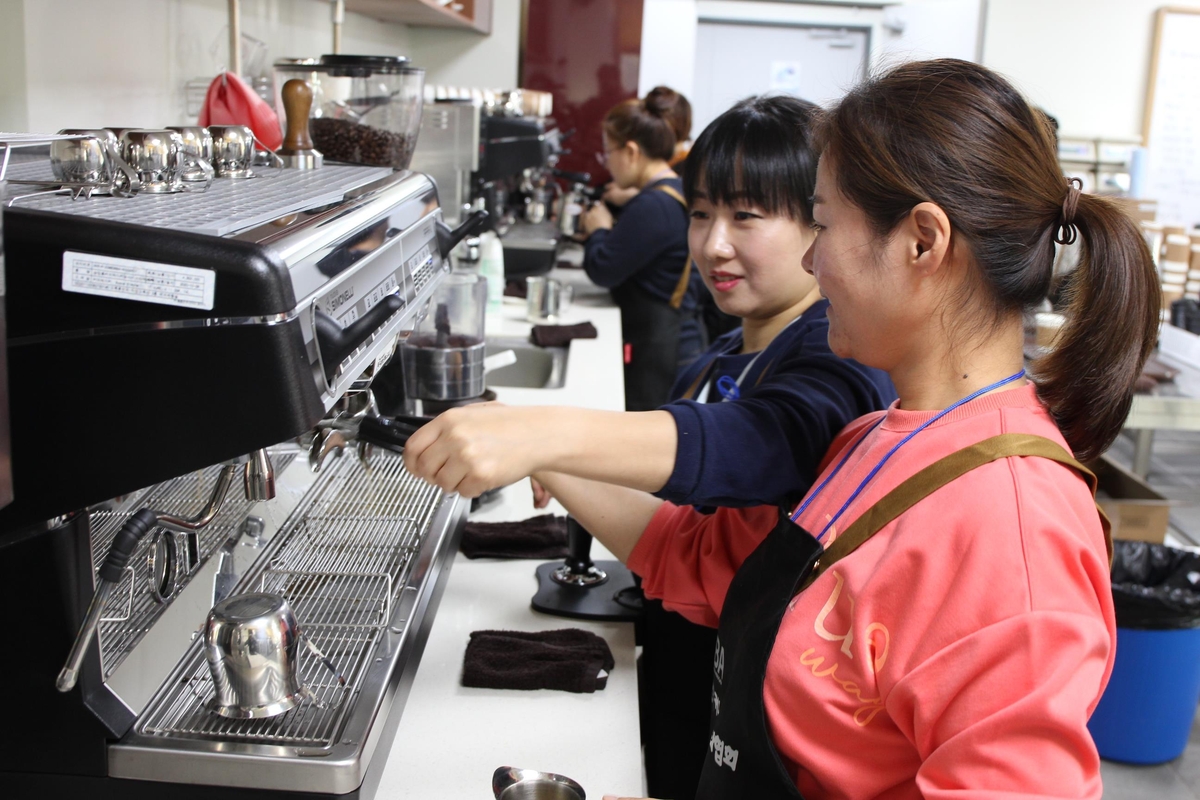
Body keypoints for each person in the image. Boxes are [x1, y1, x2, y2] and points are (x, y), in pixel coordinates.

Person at [420, 59, 1162, 798]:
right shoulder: (875, 440)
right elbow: (695, 559)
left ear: (923, 243)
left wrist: (546, 435)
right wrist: (537, 448)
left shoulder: (1013, 529)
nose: (813, 259)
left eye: (827, 225)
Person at [405, 94, 895, 798]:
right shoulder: (733, 349)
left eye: (746, 217)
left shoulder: (836, 357)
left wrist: (547, 433)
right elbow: (680, 543)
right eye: (702, 214)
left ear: (819, 226)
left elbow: (758, 442)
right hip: (683, 671)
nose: (713, 244)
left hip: (744, 712)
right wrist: (545, 451)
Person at [581, 86, 708, 410]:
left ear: (632, 152)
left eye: (608, 152)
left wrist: (599, 229)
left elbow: (604, 269)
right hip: (676, 338)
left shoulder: (654, 204)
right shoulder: (672, 191)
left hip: (665, 350)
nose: (607, 162)